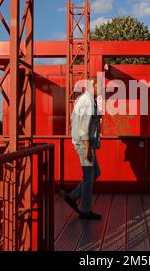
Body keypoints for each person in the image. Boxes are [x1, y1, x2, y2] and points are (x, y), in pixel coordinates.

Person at [64, 76, 102, 220]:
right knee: (88, 178)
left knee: (95, 173)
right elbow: (85, 125)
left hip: (86, 143)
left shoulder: (86, 100)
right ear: (92, 85)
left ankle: (73, 197)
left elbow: (75, 120)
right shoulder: (88, 101)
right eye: (100, 86)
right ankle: (85, 211)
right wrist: (87, 148)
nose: (101, 90)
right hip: (84, 144)